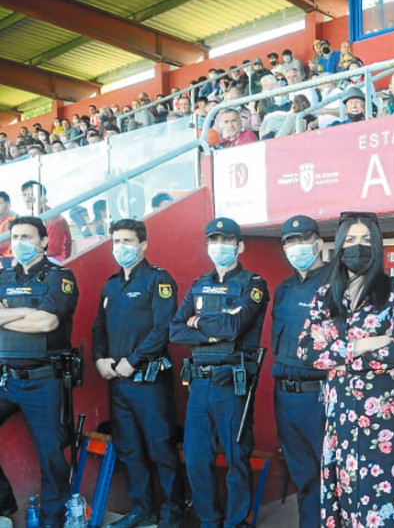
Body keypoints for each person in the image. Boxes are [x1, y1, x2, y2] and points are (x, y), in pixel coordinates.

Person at [299, 211, 394, 527]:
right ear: (340, 246)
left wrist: (337, 345)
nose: (358, 247)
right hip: (345, 418)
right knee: (354, 498)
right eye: (351, 240)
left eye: (367, 240)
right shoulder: (325, 297)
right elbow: (306, 351)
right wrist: (363, 344)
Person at [169, 218, 269, 528]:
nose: (220, 245)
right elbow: (175, 330)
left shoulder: (253, 284)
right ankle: (209, 521)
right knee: (197, 459)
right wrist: (217, 330)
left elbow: (236, 327)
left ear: (240, 246)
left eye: (227, 240)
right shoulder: (199, 284)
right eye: (214, 239)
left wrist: (198, 322)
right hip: (199, 382)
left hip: (232, 384)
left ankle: (236, 522)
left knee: (237, 459)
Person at [92, 219, 183, 528]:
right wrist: (99, 359)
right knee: (129, 449)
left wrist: (134, 359)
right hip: (117, 382)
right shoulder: (111, 284)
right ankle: (142, 509)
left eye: (127, 241)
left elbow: (164, 327)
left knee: (160, 448)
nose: (120, 247)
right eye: (116, 241)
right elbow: (99, 327)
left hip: (149, 382)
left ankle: (172, 513)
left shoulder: (159, 280)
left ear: (143, 245)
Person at [0, 216, 80, 528]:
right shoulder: (3, 276)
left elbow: (47, 322)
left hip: (45, 380)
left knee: (50, 457)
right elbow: (36, 318)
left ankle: (52, 521)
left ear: (44, 242)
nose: (19, 242)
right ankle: (4, 507)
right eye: (15, 236)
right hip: (6, 378)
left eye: (27, 236)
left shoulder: (60, 276)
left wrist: (7, 314)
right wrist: (28, 313)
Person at [271, 216, 330, 528]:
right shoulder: (283, 290)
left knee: (331, 475)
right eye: (289, 242)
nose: (295, 248)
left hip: (319, 397)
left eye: (302, 240)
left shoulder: (338, 283)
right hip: (284, 398)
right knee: (303, 477)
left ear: (318, 243)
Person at [21, 181, 72, 262]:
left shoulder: (51, 217)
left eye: (32, 195)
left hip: (57, 261)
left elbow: (54, 249)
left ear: (42, 198)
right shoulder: (34, 216)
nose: (27, 199)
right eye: (25, 195)